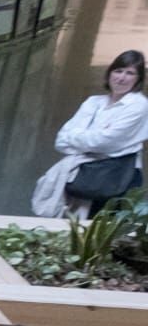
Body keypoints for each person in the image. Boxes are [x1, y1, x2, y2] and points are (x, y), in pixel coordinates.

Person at [33, 49, 148, 216]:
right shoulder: (93, 102)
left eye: (130, 73)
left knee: (105, 231)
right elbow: (61, 140)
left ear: (138, 79)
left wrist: (80, 138)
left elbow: (105, 141)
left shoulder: (138, 105)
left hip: (118, 177)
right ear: (109, 73)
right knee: (72, 226)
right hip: (84, 173)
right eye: (118, 71)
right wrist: (92, 140)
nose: (122, 78)